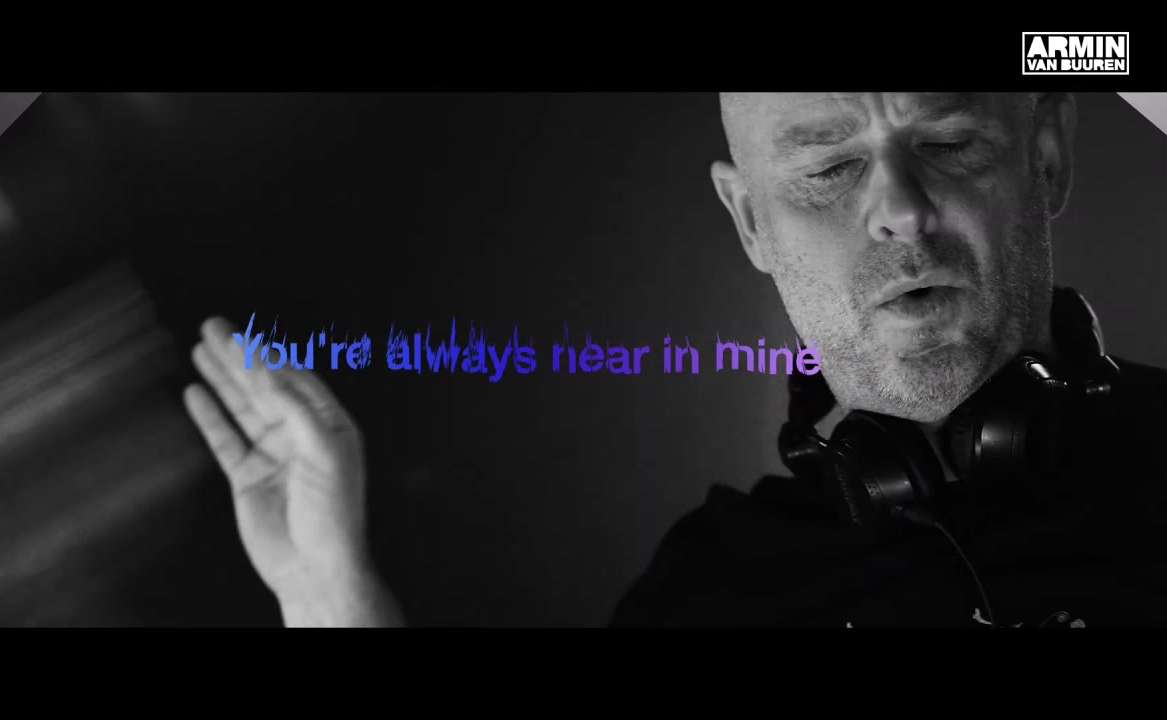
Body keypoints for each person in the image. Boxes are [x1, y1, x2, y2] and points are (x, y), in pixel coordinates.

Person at [183, 93, 1167, 628]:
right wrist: (331, 599)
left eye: (948, 143)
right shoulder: (709, 594)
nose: (900, 211)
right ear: (750, 221)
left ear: (1045, 156)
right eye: (827, 167)